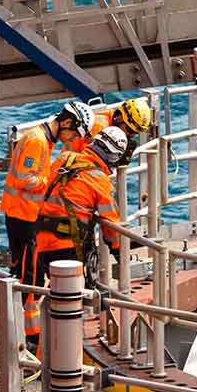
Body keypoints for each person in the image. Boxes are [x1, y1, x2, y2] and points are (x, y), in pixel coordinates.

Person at [1, 100, 94, 352]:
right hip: (23, 217)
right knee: (28, 277)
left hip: (26, 215)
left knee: (28, 273)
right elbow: (24, 179)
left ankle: (29, 333)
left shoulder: (43, 140)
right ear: (65, 122)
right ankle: (31, 337)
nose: (71, 139)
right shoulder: (37, 141)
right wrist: (52, 178)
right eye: (73, 133)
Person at [31, 126, 128, 305]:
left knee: (45, 292)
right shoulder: (100, 180)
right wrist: (119, 251)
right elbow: (111, 225)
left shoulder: (64, 158)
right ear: (113, 156)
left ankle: (42, 329)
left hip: (38, 239)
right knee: (69, 299)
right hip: (66, 244)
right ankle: (63, 332)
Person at [74, 95, 154, 166]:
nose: (131, 135)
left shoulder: (111, 120)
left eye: (136, 133)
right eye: (130, 130)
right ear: (120, 118)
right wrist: (115, 160)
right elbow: (88, 161)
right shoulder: (99, 127)